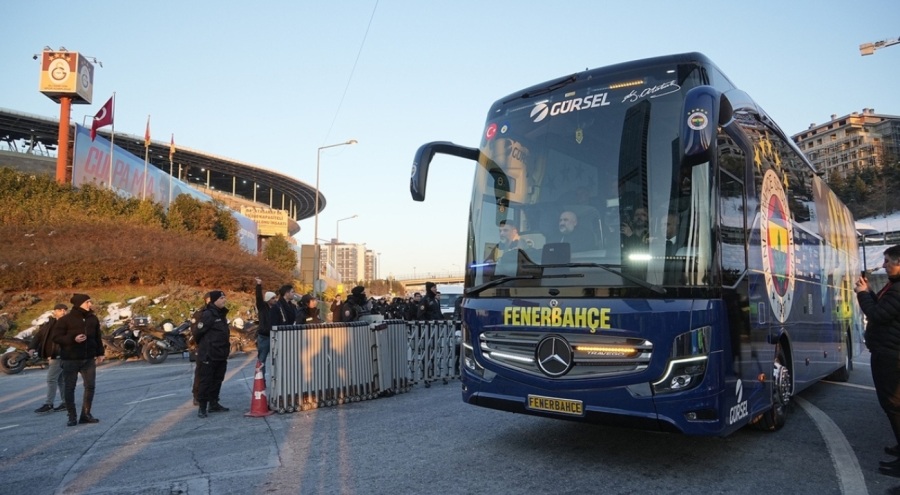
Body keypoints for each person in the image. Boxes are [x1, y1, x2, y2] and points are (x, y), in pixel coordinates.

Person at [854, 245, 900, 477]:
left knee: (894, 406)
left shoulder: (898, 290)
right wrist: (869, 292)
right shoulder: (893, 288)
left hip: (891, 356)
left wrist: (863, 294)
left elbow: (878, 315)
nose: (884, 265)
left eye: (888, 261)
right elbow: (882, 310)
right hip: (888, 353)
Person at [52, 294, 105, 427]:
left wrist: (100, 353)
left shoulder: (93, 319)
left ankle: (86, 415)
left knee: (90, 386)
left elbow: (98, 337)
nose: (90, 304)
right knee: (70, 388)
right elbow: (56, 337)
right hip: (70, 359)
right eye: (87, 302)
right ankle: (72, 416)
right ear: (79, 303)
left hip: (88, 359)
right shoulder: (65, 320)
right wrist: (72, 339)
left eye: (90, 301)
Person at [194, 290, 231, 418]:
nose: (224, 300)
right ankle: (202, 407)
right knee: (206, 381)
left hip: (221, 353)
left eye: (224, 298)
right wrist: (206, 346)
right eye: (221, 298)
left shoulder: (221, 314)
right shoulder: (208, 314)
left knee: (218, 380)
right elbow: (197, 333)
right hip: (209, 354)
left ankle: (214, 403)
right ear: (215, 300)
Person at [28, 303, 68, 413]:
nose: (63, 312)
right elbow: (38, 336)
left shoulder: (68, 323)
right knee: (61, 380)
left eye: (65, 310)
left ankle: (49, 404)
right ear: (54, 311)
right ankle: (65, 403)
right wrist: (32, 348)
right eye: (60, 310)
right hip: (52, 356)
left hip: (60, 355)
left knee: (51, 379)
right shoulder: (49, 324)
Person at [254, 278, 277, 378]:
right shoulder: (262, 307)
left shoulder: (277, 309)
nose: (275, 300)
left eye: (275, 298)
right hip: (264, 337)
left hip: (275, 336)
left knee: (276, 359)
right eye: (272, 298)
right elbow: (258, 297)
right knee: (262, 359)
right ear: (268, 299)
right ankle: (260, 379)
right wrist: (259, 285)